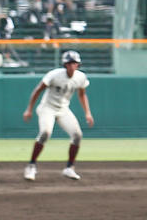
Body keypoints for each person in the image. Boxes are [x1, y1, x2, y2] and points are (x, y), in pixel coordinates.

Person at [23, 49, 94, 181]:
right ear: (65, 64)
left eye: (75, 63)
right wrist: (29, 109)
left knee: (77, 135)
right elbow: (38, 90)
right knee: (45, 133)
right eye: (69, 63)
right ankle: (31, 166)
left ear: (78, 65)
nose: (72, 66)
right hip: (47, 108)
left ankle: (69, 168)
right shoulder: (54, 75)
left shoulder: (80, 77)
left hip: (63, 109)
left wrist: (87, 113)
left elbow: (82, 94)